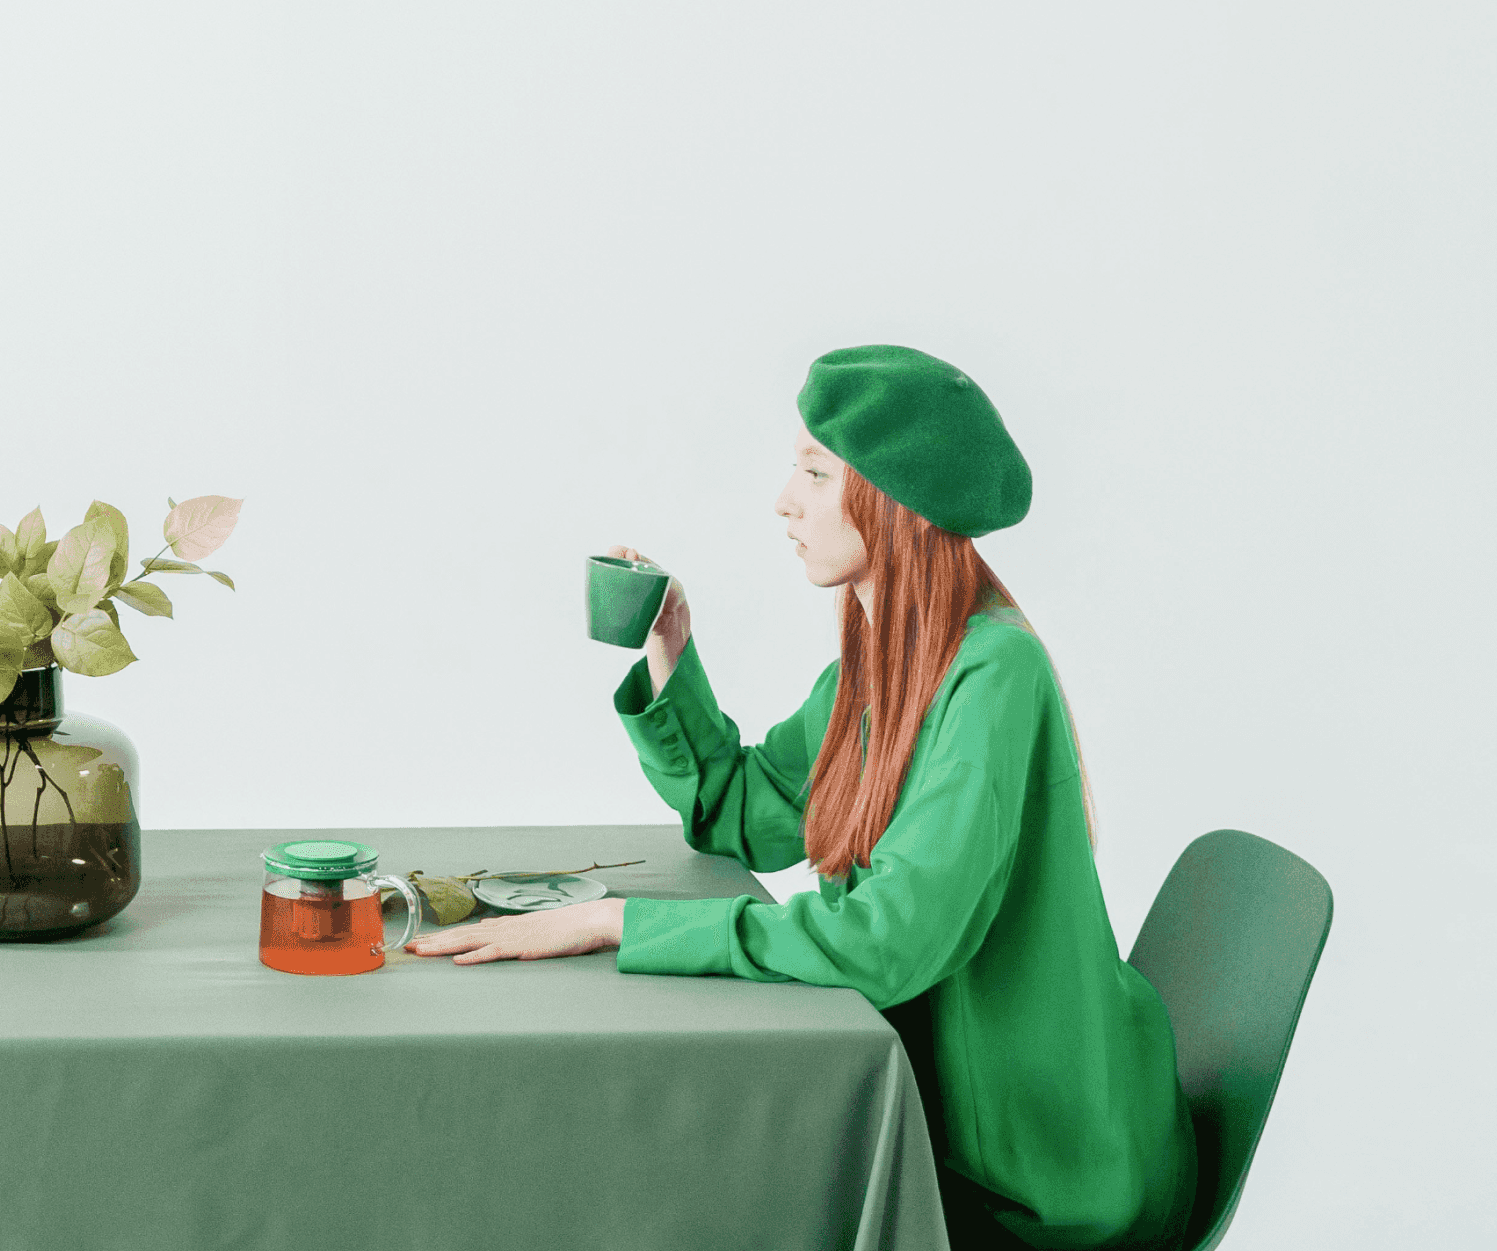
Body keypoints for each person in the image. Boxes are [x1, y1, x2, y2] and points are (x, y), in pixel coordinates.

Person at [409, 345, 1195, 1250]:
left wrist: (622, 922)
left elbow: (889, 943)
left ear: (897, 503)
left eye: (817, 473)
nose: (785, 499)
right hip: (943, 1130)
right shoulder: (876, 668)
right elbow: (742, 813)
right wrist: (671, 646)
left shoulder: (994, 673)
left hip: (1044, 1175)